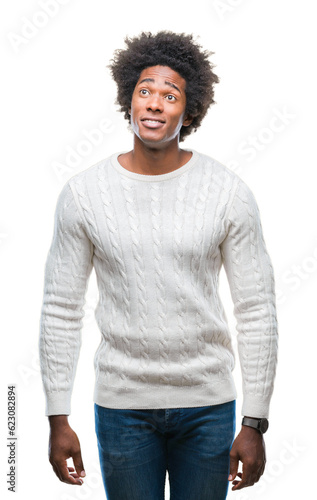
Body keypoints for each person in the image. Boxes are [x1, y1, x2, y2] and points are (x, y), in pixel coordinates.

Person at [39, 31, 278, 500]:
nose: (153, 104)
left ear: (188, 113)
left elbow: (256, 309)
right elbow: (61, 308)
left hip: (209, 408)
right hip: (121, 408)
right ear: (128, 99)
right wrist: (57, 415)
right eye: (145, 90)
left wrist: (255, 421)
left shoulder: (228, 192)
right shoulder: (84, 195)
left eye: (170, 95)